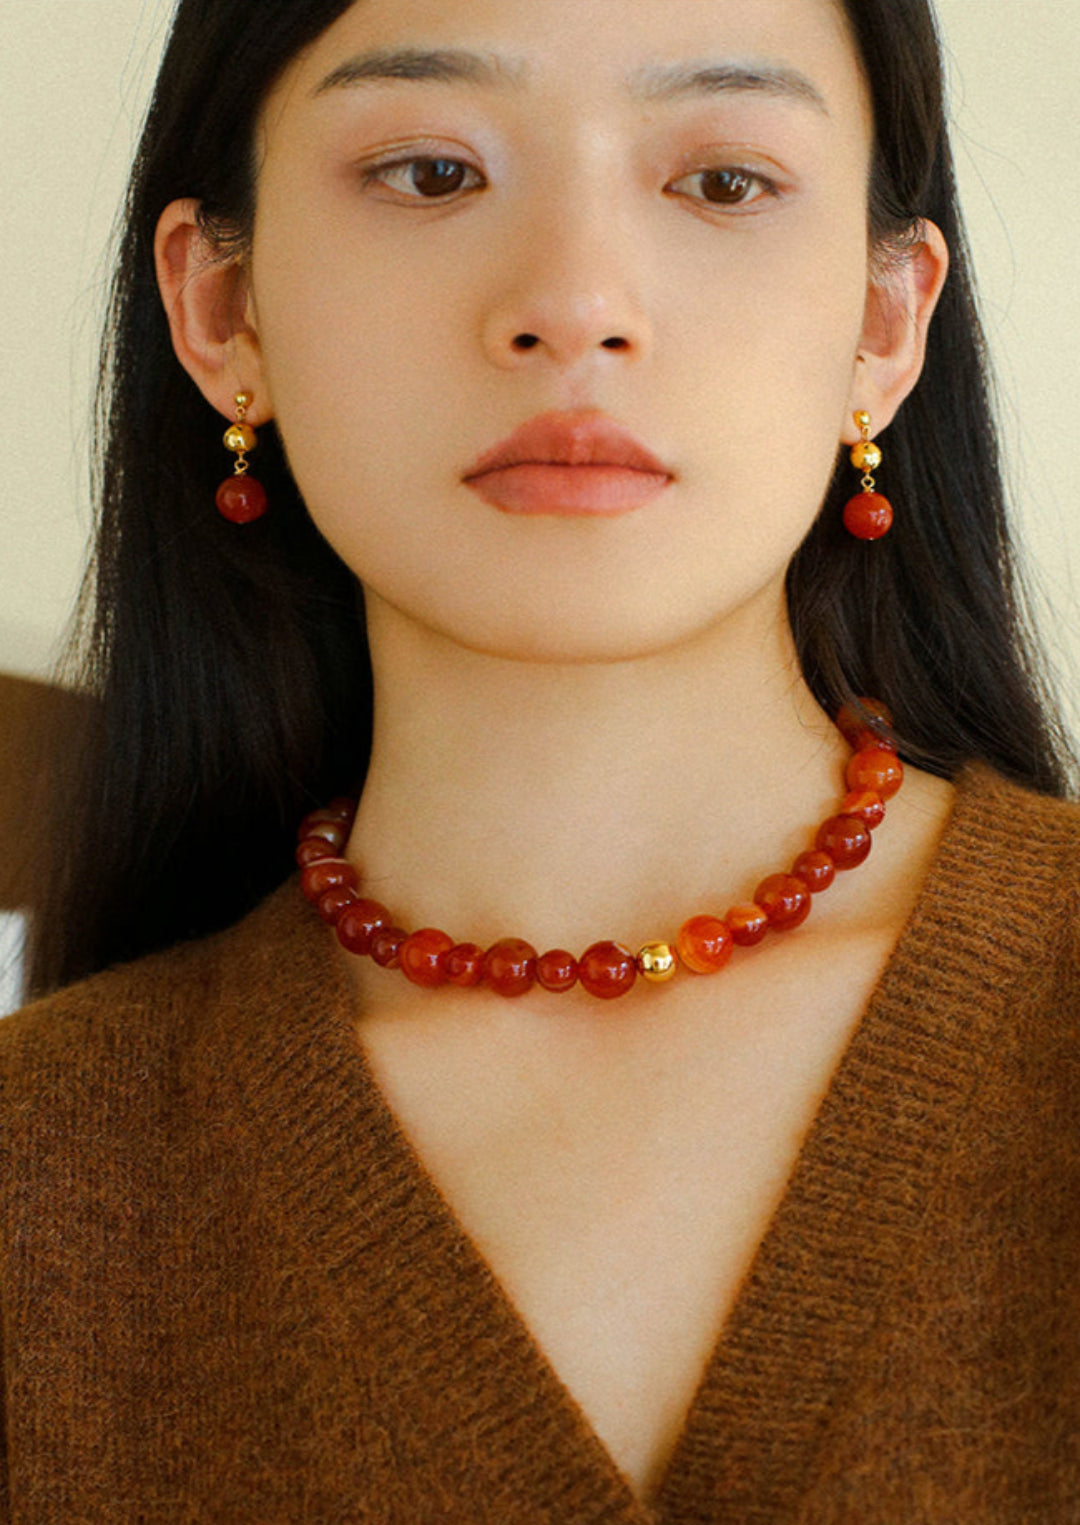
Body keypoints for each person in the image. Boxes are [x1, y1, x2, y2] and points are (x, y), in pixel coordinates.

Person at [2, 0, 1078, 1518]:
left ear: (887, 323)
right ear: (222, 309)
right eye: (433, 174)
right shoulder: (39, 1170)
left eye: (720, 182)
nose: (575, 304)